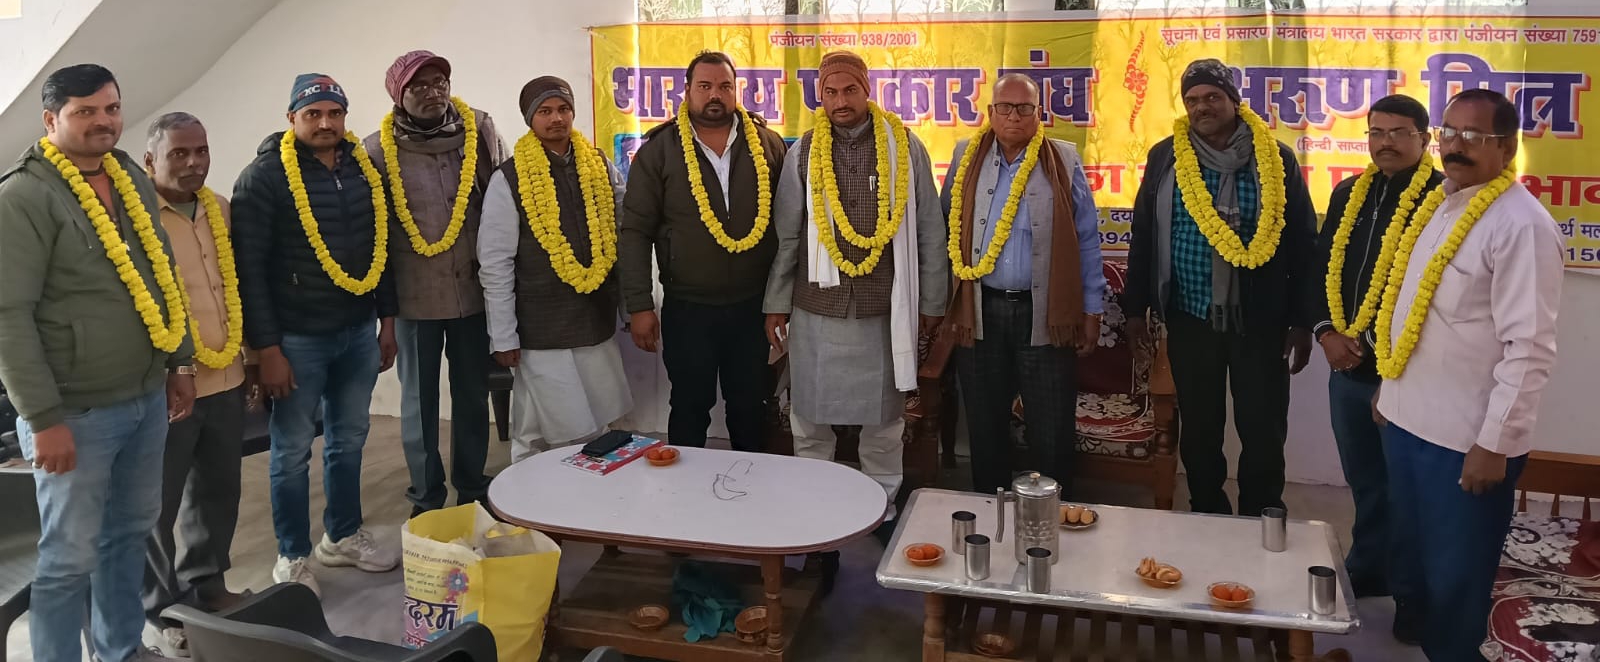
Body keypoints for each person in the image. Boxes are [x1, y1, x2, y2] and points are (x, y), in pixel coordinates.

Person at [0, 64, 194, 662]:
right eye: (85, 111)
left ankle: (120, 650)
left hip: (144, 398)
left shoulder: (128, 175)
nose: (104, 121)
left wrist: (179, 363)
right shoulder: (22, 196)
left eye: (111, 108)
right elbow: (7, 316)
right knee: (67, 558)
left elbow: (162, 273)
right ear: (50, 119)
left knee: (129, 536)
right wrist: (43, 419)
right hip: (74, 413)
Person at [1375, 88, 1563, 660]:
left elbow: (1529, 347)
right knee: (1410, 553)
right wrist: (1388, 390)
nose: (1456, 146)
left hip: (1464, 440)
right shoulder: (1439, 205)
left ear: (1507, 147)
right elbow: (1414, 312)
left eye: (1474, 136)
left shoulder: (1522, 225)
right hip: (1406, 422)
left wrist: (1494, 444)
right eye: (1449, 133)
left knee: (1456, 574)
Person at [763, 50, 948, 543]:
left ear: (867, 90)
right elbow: (788, 235)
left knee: (883, 422)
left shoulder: (904, 148)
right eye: (830, 92)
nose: (840, 101)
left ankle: (881, 507)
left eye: (850, 90)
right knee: (810, 419)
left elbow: (930, 229)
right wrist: (775, 303)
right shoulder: (803, 152)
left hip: (883, 308)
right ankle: (815, 505)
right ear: (819, 96)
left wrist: (932, 302)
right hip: (815, 308)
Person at [1124, 58, 1317, 517]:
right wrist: (1135, 310)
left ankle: (1261, 519)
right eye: (1192, 100)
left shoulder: (1276, 159)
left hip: (1262, 322)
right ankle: (1207, 514)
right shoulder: (1167, 156)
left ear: (1234, 101)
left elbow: (1303, 244)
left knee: (1263, 429)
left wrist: (1302, 321)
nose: (1202, 107)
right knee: (1200, 429)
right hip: (1190, 317)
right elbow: (1145, 234)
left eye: (1212, 96)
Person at [232, 73, 399, 596]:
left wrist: (387, 322)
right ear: (292, 119)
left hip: (357, 333)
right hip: (296, 340)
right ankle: (292, 554)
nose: (325, 123)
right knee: (291, 451)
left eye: (334, 113)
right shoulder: (263, 178)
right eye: (313, 114)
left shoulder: (364, 169)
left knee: (349, 439)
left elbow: (383, 249)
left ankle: (342, 535)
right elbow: (249, 272)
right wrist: (267, 350)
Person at [1312, 94, 1441, 640]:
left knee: (1408, 489)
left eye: (1398, 132)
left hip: (1407, 372)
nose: (1385, 142)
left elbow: (1436, 292)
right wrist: (1326, 333)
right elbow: (1322, 266)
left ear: (1424, 139)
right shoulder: (1349, 193)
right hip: (1346, 366)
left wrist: (1382, 351)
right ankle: (1369, 568)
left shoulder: (1441, 198)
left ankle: (1413, 595)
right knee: (1365, 481)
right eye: (1376, 132)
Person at [940, 73, 1108, 496]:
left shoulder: (1063, 159)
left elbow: (1086, 238)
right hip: (981, 310)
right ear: (990, 112)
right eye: (1005, 107)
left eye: (1024, 108)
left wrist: (1092, 309)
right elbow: (944, 225)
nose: (1014, 116)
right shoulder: (966, 155)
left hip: (1044, 313)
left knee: (1051, 425)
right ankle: (991, 511)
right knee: (984, 423)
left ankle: (1054, 515)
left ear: (1039, 113)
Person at [364, 50, 509, 518]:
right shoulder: (375, 150)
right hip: (414, 297)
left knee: (472, 394)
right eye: (419, 86)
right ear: (398, 95)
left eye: (440, 82)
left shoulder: (480, 129)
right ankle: (426, 496)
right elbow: (375, 234)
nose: (433, 92)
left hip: (473, 292)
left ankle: (472, 484)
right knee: (419, 401)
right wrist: (384, 313)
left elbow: (504, 199)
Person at [621, 50, 787, 453]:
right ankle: (685, 489)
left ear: (736, 90)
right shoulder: (659, 150)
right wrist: (639, 306)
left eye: (725, 86)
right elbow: (635, 232)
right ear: (687, 91)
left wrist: (780, 303)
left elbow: (788, 230)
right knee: (690, 406)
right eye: (705, 86)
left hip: (753, 308)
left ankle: (750, 484)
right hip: (688, 308)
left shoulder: (768, 145)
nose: (715, 94)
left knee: (750, 406)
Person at [141, 112, 257, 656]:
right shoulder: (137, 218)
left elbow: (235, 287)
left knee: (218, 492)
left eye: (201, 151)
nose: (194, 163)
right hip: (169, 387)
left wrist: (249, 358)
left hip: (226, 374)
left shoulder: (220, 210)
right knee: (157, 506)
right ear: (150, 161)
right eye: (179, 153)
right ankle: (162, 611)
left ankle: (209, 587)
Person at [478, 76, 632, 462]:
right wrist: (503, 336)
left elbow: (623, 238)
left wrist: (629, 307)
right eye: (545, 111)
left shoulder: (599, 165)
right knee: (562, 425)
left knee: (589, 416)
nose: (556, 118)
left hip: (594, 320)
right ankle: (539, 489)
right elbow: (494, 262)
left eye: (563, 109)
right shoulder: (509, 178)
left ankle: (568, 487)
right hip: (541, 327)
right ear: (530, 119)